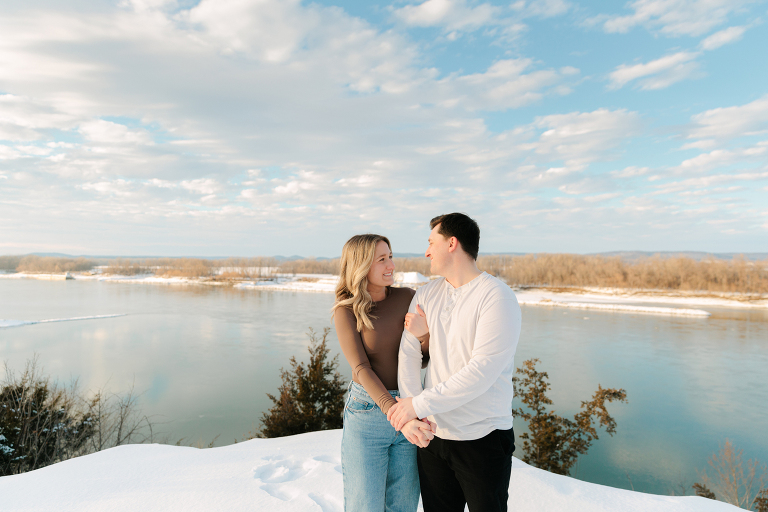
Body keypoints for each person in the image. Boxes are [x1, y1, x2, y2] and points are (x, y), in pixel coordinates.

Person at [388, 213, 522, 512]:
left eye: (430, 242)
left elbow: (481, 371)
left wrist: (417, 405)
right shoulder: (426, 294)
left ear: (452, 243)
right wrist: (412, 412)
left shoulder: (496, 297)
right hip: (434, 436)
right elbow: (409, 354)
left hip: (482, 437)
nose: (426, 251)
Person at [332, 234, 436, 512]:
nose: (391, 264)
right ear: (361, 265)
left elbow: (423, 359)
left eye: (390, 256)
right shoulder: (346, 310)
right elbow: (360, 368)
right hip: (369, 414)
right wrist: (397, 415)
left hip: (409, 406)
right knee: (364, 506)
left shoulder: (408, 297)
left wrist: (424, 335)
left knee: (403, 506)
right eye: (382, 259)